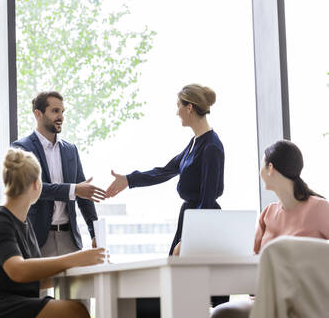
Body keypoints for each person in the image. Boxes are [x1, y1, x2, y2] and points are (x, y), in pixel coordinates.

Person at [106, 84, 226, 315]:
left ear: (189, 107)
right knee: (177, 287)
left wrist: (190, 237)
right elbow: (164, 171)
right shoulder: (194, 143)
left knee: (187, 289)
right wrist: (128, 180)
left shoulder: (211, 146)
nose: (176, 112)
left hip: (203, 222)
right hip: (190, 218)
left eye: (178, 106)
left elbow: (208, 199)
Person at [0, 148, 105, 318]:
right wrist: (77, 258)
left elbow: (33, 279)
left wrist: (79, 269)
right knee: (75, 311)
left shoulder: (23, 223)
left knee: (75, 309)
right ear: (37, 184)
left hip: (9, 302)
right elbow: (18, 270)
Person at [211, 140, 329, 318]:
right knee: (222, 312)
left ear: (270, 168)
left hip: (307, 298)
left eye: (262, 165)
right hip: (264, 298)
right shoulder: (268, 213)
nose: (260, 172)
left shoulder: (320, 208)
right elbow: (249, 257)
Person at [12, 91, 106, 259]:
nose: (61, 117)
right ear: (38, 114)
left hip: (70, 239)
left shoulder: (70, 150)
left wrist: (94, 233)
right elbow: (32, 188)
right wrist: (73, 189)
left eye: (63, 112)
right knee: (38, 286)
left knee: (76, 286)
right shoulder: (21, 148)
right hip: (37, 239)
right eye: (55, 111)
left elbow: (83, 195)